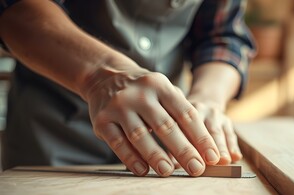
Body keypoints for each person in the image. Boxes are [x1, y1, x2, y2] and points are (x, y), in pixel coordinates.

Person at [0, 0, 255, 177]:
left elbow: (223, 35)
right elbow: (16, 9)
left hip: (167, 146)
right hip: (51, 136)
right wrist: (100, 74)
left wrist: (207, 98)